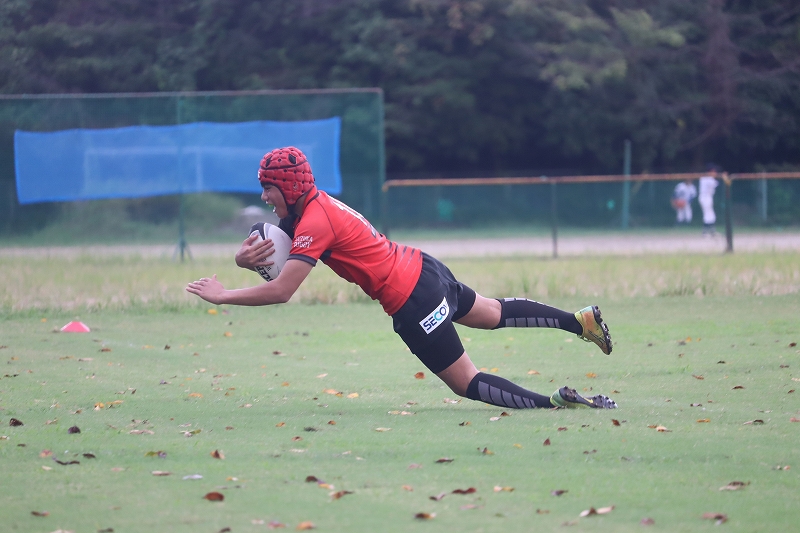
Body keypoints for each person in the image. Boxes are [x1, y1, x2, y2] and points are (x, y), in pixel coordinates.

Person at [186, 147, 617, 410]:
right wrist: (244, 261)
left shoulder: (314, 222)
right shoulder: (312, 207)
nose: (264, 196)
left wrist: (223, 296)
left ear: (289, 187)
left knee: (466, 381)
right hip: (424, 268)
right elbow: (277, 254)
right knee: (492, 313)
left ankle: (554, 403)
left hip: (411, 299)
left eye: (269, 188)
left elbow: (282, 290)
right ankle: (578, 321)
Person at [697, 163, 730, 236]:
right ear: (710, 171)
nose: (715, 173)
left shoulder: (707, 178)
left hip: (707, 197)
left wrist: (722, 176)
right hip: (705, 198)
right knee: (708, 215)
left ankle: (711, 232)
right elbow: (718, 183)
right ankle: (705, 232)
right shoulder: (707, 179)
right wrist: (723, 176)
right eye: (714, 171)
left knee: (711, 215)